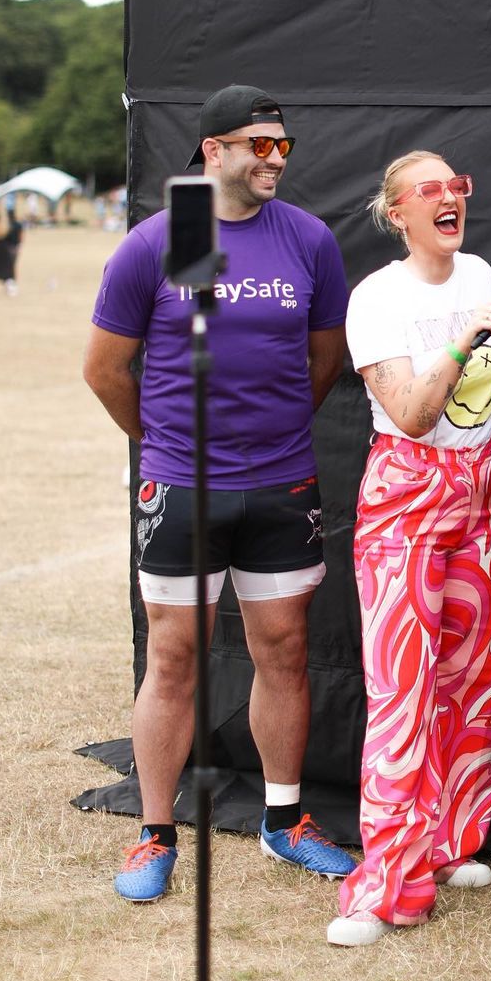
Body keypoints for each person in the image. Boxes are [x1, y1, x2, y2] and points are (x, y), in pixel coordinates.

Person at [84, 83, 354, 902]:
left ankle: (284, 821)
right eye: (260, 145)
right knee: (173, 658)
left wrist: (274, 434)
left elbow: (324, 360)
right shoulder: (159, 242)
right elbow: (104, 369)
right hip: (183, 489)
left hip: (282, 484)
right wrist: (165, 445)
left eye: (284, 146)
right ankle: (154, 833)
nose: (276, 159)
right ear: (214, 151)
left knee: (284, 651)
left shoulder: (308, 240)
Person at [328, 150, 491, 947]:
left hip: (484, 488)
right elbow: (415, 413)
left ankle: (451, 841)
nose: (450, 197)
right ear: (398, 214)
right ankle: (386, 887)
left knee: (473, 677)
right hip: (408, 495)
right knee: (403, 692)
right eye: (430, 190)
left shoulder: (481, 272)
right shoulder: (377, 298)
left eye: (457, 185)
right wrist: (464, 338)